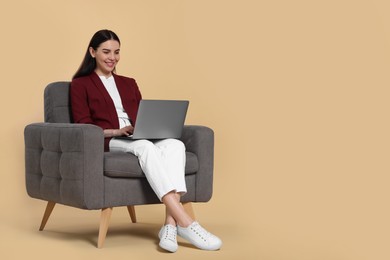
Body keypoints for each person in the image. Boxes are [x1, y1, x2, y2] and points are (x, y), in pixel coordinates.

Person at [70, 29, 222, 252]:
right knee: (144, 146)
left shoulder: (129, 82)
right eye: (106, 52)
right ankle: (186, 222)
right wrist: (117, 131)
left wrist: (148, 128)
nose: (112, 57)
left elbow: (142, 116)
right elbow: (83, 125)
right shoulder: (80, 84)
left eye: (117, 52)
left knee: (175, 144)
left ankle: (169, 225)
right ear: (92, 52)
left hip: (137, 135)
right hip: (109, 140)